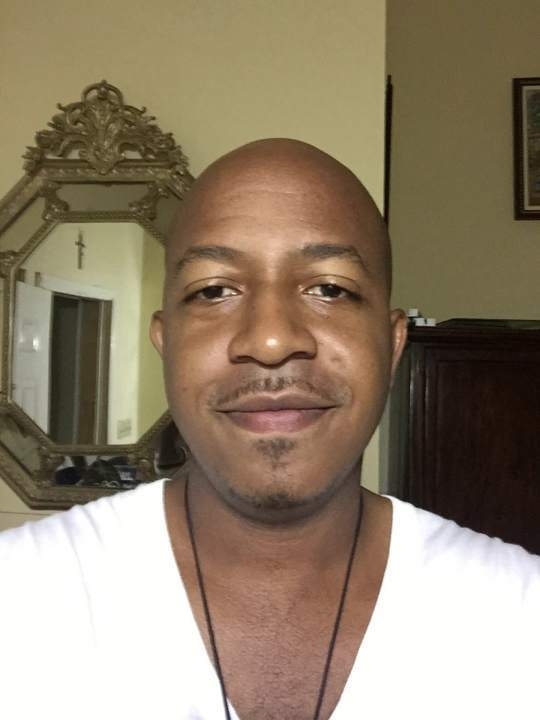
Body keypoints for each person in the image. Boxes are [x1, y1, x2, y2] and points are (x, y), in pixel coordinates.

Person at [0, 139, 539, 720]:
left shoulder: (519, 617)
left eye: (330, 288)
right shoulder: (19, 600)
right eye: (213, 290)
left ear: (392, 345)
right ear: (166, 342)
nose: (272, 339)